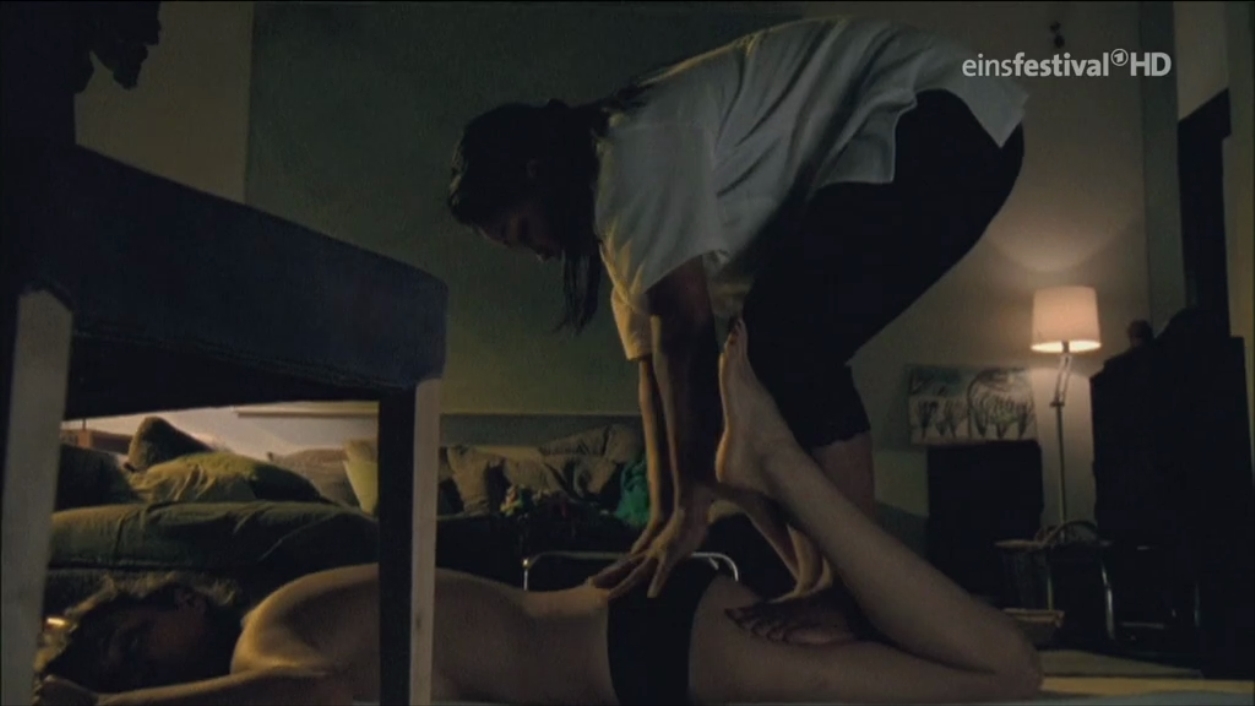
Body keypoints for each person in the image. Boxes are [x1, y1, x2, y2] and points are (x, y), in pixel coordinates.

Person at [33, 321, 1043, 706]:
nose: (144, 669)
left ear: (178, 596)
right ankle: (765, 484)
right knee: (957, 652)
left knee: (1003, 673)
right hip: (640, 630)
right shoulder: (295, 610)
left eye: (131, 643)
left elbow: (311, 698)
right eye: (126, 671)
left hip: (643, 653)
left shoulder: (271, 632)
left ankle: (772, 465)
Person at [445, 14, 1027, 636]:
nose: (538, 254)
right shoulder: (620, 225)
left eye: (521, 231)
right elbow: (655, 376)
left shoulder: (632, 152)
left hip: (939, 110)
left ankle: (849, 595)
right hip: (937, 122)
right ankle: (831, 590)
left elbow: (685, 329)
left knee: (782, 347)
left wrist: (692, 507)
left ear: (537, 173)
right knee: (759, 369)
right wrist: (663, 517)